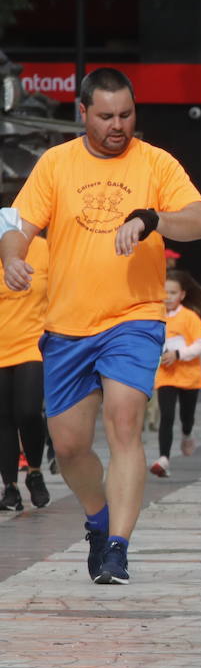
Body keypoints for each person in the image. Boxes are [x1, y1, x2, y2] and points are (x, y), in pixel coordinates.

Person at [0, 67, 201, 584]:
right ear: (83, 114)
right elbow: (17, 227)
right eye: (106, 116)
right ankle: (97, 518)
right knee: (70, 446)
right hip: (69, 325)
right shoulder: (56, 163)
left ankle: (117, 546)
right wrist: (11, 258)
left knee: (124, 421)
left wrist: (153, 218)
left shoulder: (157, 163)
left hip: (134, 317)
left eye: (126, 114)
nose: (118, 125)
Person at [0, 219, 49, 512]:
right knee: (3, 418)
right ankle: (10, 487)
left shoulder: (44, 250)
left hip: (34, 342)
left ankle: (34, 471)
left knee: (29, 411)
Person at [150, 270, 201, 478]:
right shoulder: (154, 316)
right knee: (167, 416)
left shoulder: (189, 317)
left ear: (182, 295)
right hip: (166, 376)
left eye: (173, 292)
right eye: (165, 291)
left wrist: (178, 354)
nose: (168, 296)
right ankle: (163, 458)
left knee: (186, 416)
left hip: (189, 376)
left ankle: (187, 433)